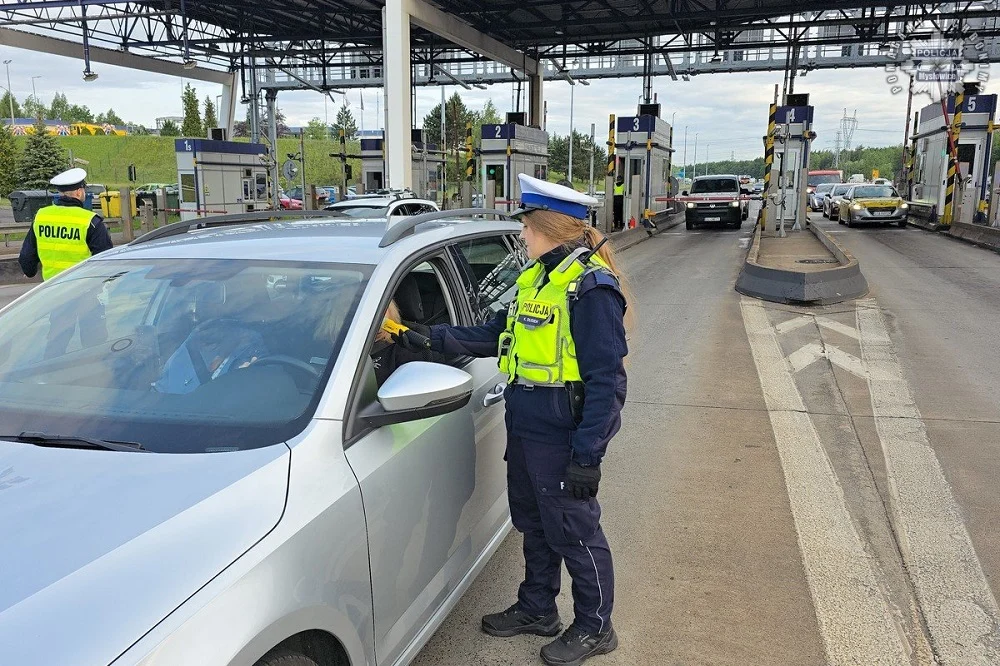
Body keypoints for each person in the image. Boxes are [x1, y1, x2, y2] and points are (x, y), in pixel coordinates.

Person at [394, 173, 630, 666]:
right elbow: (493, 335)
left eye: (525, 225)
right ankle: (538, 608)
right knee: (534, 524)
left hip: (564, 435)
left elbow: (607, 382)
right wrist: (424, 338)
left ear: (547, 226)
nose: (521, 234)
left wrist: (588, 455)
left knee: (574, 531)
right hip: (526, 429)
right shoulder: (537, 279)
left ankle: (595, 626)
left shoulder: (591, 288)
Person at [19, 168, 114, 358]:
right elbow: (108, 261)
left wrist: (29, 272)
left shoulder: (42, 216)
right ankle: (93, 377)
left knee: (57, 339)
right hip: (88, 293)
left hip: (56, 291)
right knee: (94, 344)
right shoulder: (90, 221)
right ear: (79, 192)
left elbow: (27, 256)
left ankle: (47, 377)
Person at [369, 299, 447, 385]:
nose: (374, 317)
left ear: (391, 311)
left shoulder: (408, 347)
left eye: (378, 309)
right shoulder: (353, 345)